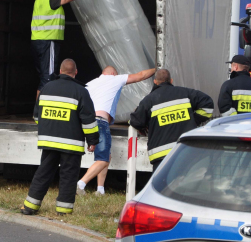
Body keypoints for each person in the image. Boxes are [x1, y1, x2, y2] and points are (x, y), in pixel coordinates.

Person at [21, 59, 99, 216]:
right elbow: (88, 120)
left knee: (43, 173)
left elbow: (37, 116)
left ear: (60, 71)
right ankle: (63, 211)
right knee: (68, 176)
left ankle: (30, 206)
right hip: (71, 144)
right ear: (75, 72)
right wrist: (92, 140)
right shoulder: (80, 91)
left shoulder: (46, 88)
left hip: (48, 141)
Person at [77, 66, 155, 196]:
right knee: (103, 159)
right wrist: (157, 70)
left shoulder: (90, 84)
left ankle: (100, 190)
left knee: (106, 156)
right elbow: (140, 75)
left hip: (87, 122)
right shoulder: (114, 79)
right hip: (100, 122)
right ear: (112, 73)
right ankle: (81, 184)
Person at [31, 0, 103, 100]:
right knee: (48, 78)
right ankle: (39, 113)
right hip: (48, 41)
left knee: (44, 76)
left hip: (38, 41)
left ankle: (39, 112)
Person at [129, 69, 214, 172]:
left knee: (161, 187)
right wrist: (193, 120)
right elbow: (208, 106)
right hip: (185, 150)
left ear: (155, 81)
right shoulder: (186, 93)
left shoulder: (149, 100)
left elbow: (136, 121)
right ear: (171, 81)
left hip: (160, 156)